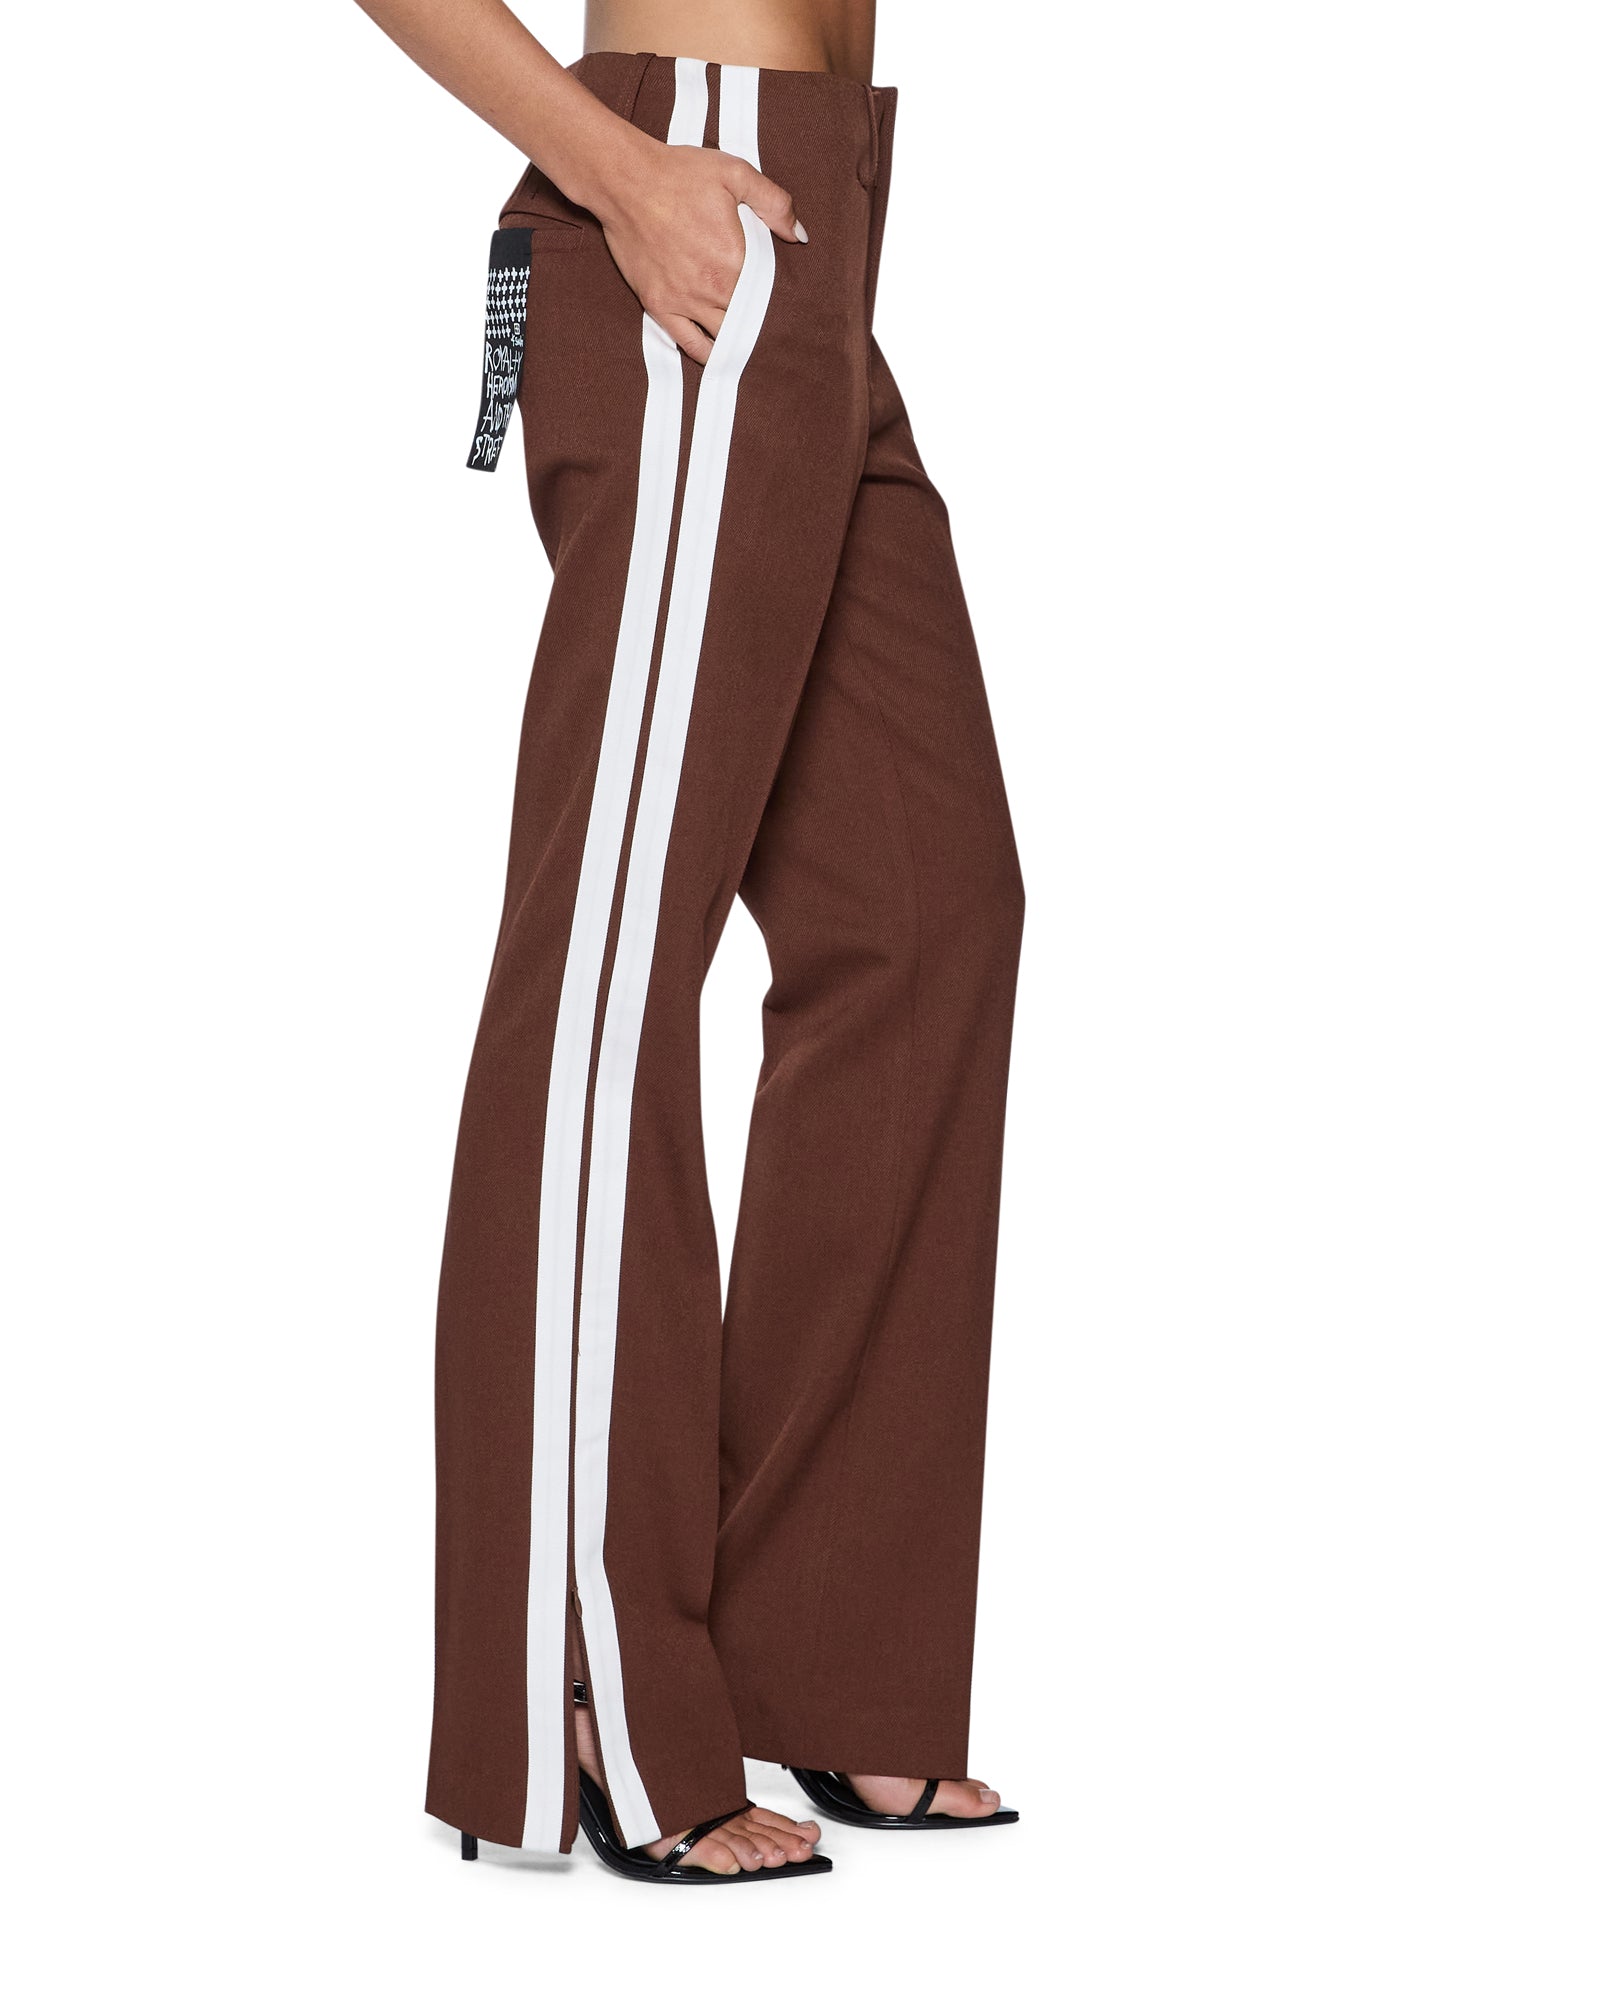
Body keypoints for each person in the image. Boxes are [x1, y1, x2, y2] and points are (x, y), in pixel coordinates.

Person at [354, 0, 1025, 1882]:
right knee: (608, 965)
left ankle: (830, 1658)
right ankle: (584, 1693)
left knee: (927, 911)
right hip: (683, 203)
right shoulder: (649, 189)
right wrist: (616, 171)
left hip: (816, 226)